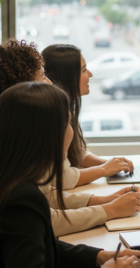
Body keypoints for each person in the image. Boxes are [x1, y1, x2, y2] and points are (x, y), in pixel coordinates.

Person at [0, 40, 140, 263]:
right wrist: (109, 210)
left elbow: (43, 202)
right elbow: (44, 218)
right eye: (41, 77)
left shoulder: (1, 130)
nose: (49, 82)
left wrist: (101, 202)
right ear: (22, 91)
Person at [43, 44, 133, 188]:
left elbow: (76, 151)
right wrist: (104, 170)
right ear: (67, 76)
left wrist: (107, 164)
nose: (90, 74)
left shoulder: (64, 108)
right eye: (84, 70)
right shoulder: (52, 116)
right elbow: (62, 178)